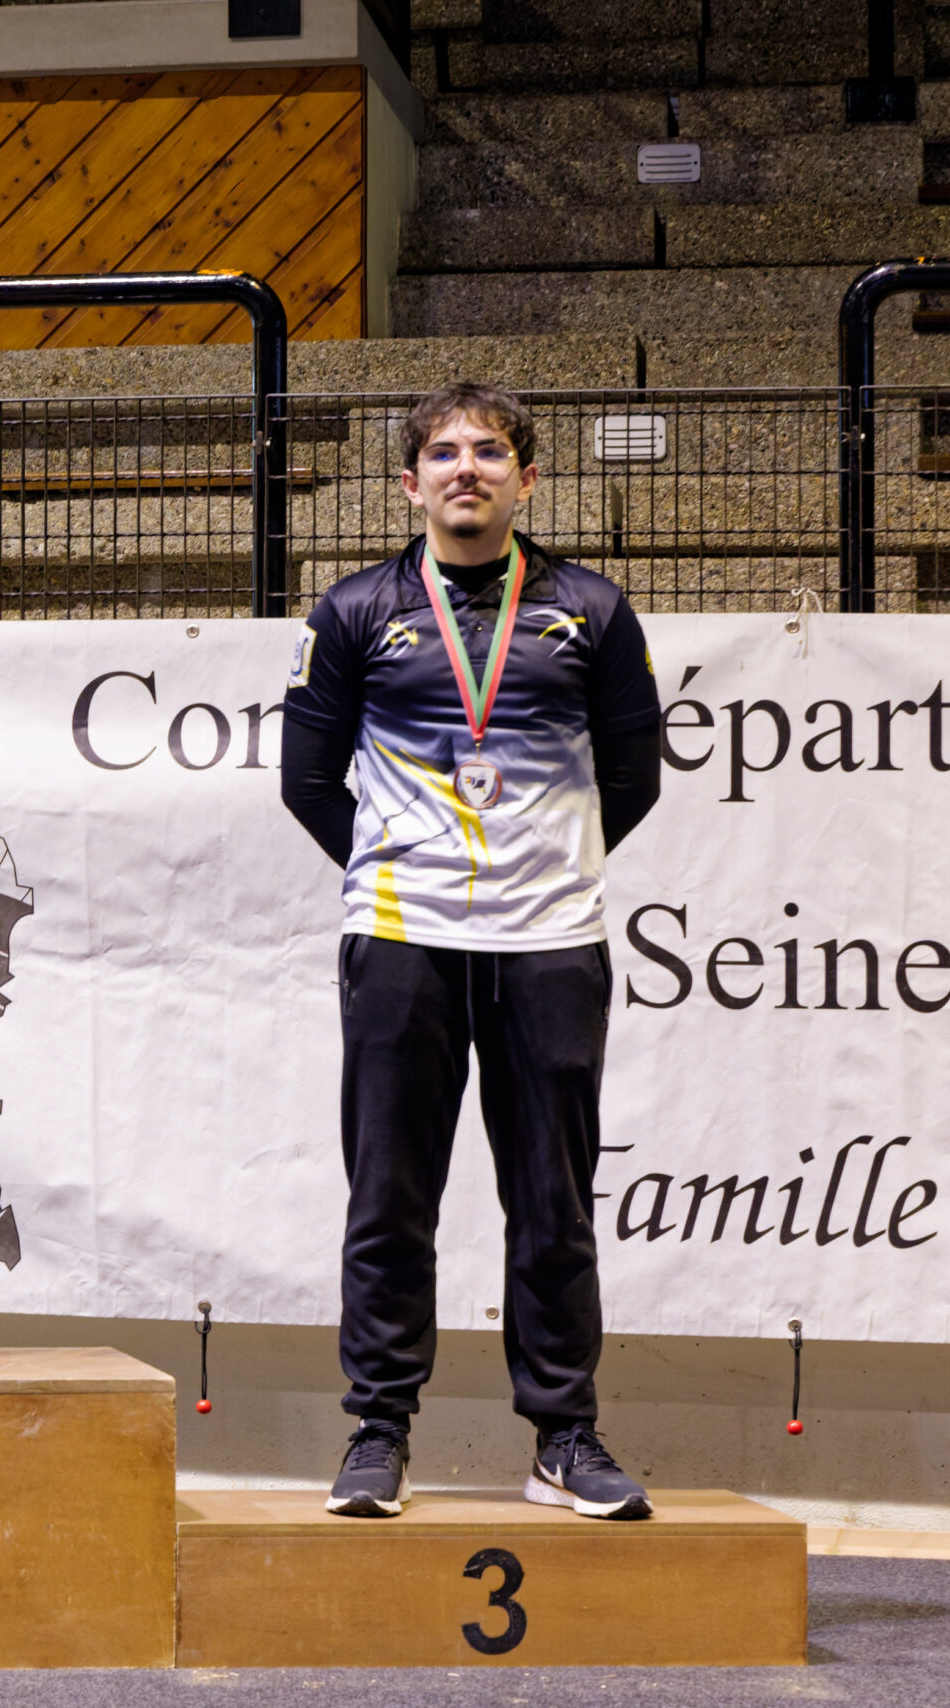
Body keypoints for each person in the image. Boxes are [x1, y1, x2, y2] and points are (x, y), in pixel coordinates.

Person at [279, 382, 664, 1520]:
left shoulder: (591, 609)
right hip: (403, 940)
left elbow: (634, 777)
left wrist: (538, 867)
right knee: (390, 1198)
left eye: (490, 452)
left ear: (525, 480)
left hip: (550, 942)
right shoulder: (355, 610)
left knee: (553, 1200)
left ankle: (563, 1436)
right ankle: (378, 1431)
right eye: (443, 453)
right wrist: (402, 867)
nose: (466, 469)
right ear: (409, 484)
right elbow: (308, 781)